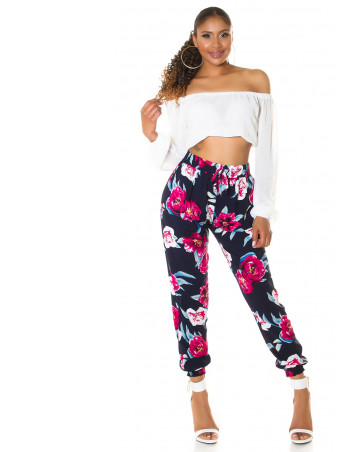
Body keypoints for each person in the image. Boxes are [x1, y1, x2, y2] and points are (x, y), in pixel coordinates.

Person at [140, 6, 313, 445]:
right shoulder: (181, 88)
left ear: (232, 37)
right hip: (186, 190)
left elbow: (268, 149)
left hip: (238, 194)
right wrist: (150, 133)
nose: (216, 44)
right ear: (194, 39)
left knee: (260, 289)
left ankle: (299, 383)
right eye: (207, 35)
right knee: (189, 294)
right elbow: (174, 154)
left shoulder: (256, 81)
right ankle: (197, 390)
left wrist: (264, 210)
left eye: (224, 34)